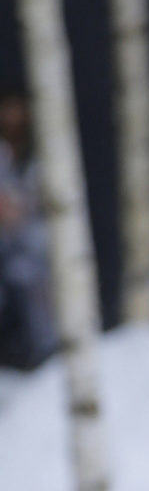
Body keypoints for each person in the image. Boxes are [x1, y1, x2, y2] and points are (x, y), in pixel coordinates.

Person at [0, 91, 57, 371]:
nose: (12, 116)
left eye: (17, 109)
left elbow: (52, 200)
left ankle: (44, 360)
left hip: (35, 252)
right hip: (6, 251)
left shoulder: (42, 154)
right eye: (6, 109)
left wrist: (22, 207)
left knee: (41, 308)